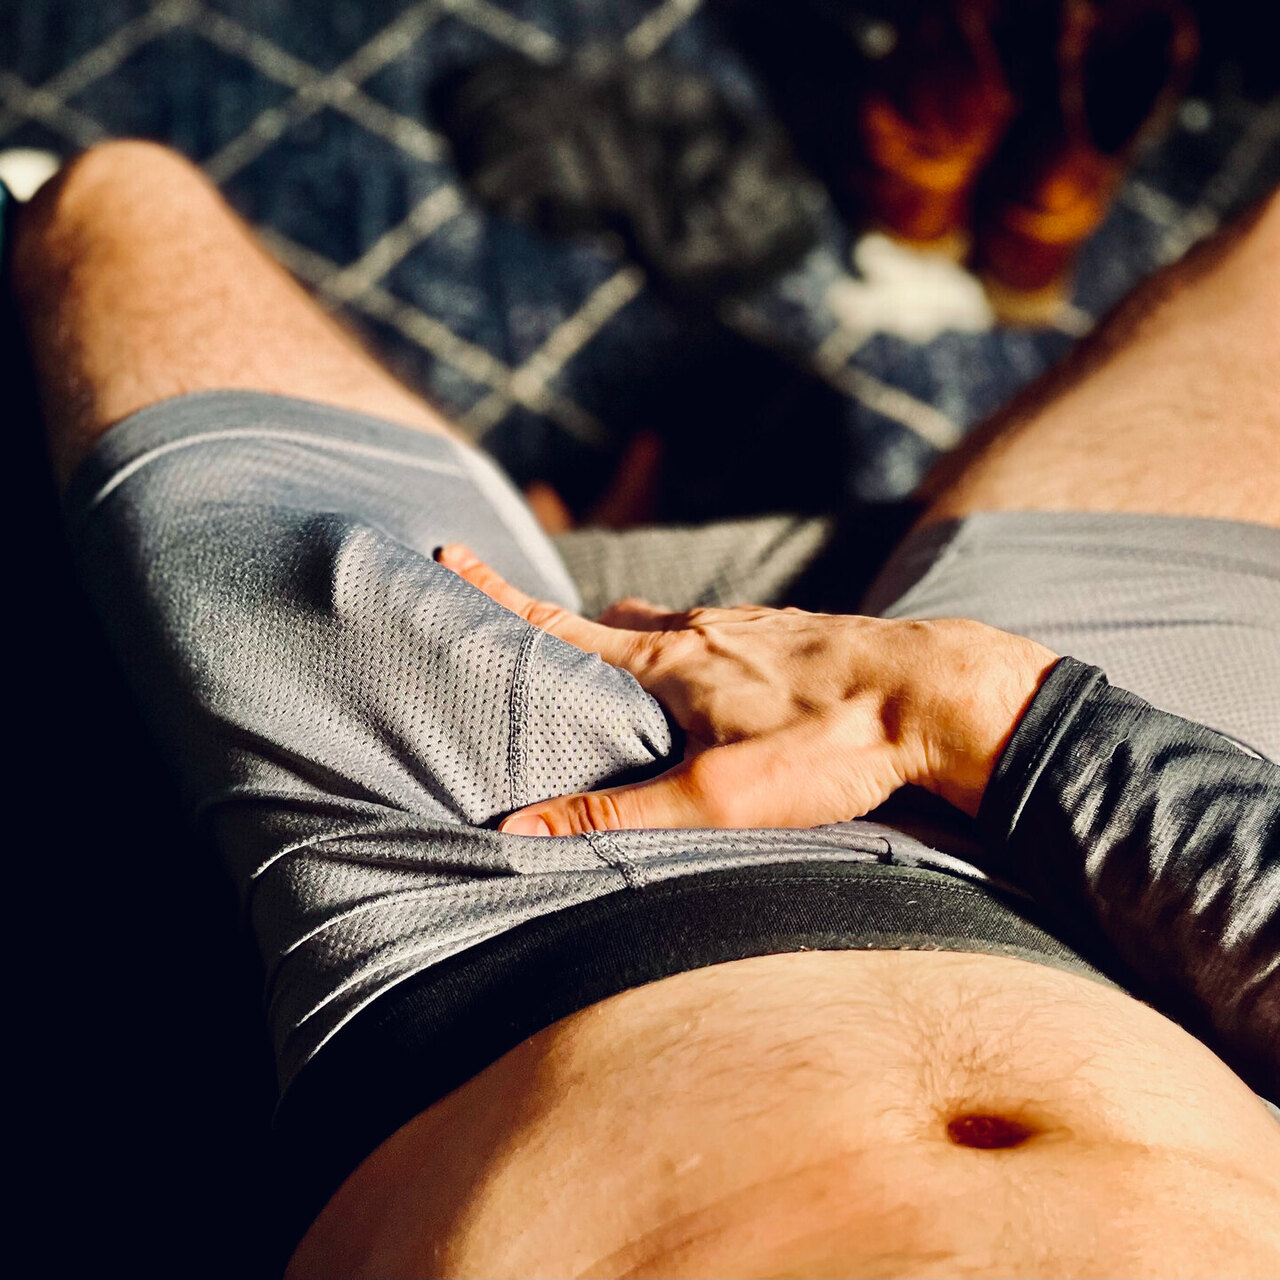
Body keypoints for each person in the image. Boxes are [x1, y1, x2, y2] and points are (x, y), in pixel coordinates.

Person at [9, 139, 1279, 1278]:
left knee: (96, 216)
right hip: (1131, 878)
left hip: (486, 900)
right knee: (122, 193)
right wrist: (980, 709)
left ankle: (570, 558)